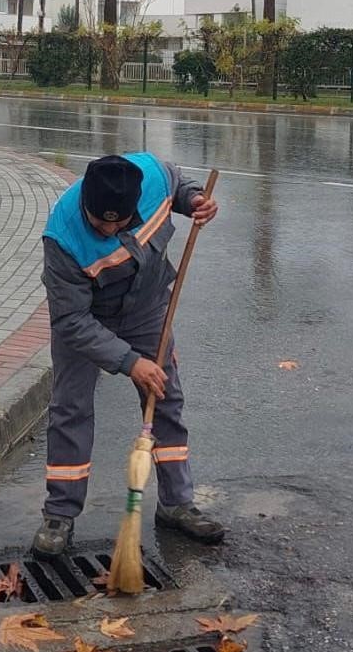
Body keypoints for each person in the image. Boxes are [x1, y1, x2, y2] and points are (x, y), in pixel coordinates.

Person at [32, 151, 221, 557]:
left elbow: (177, 181)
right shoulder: (63, 237)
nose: (112, 229)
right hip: (86, 317)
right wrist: (130, 362)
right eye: (102, 223)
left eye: (121, 222)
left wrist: (193, 201)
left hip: (147, 307)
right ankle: (59, 514)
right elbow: (71, 322)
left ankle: (177, 503)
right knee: (71, 408)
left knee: (165, 397)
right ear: (86, 204)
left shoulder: (151, 177)